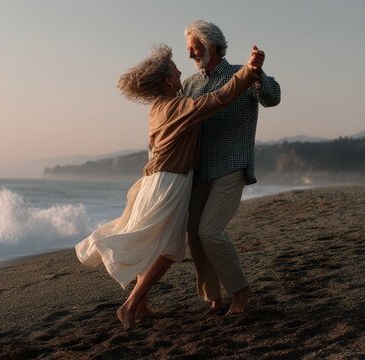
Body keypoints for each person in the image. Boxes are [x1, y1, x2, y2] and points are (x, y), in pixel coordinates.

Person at [76, 43, 264, 329]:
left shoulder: (157, 107)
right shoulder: (177, 107)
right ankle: (129, 306)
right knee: (167, 249)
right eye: (176, 71)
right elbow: (218, 99)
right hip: (170, 183)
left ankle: (141, 306)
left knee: (153, 241)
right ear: (167, 80)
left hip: (155, 179)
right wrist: (248, 73)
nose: (181, 75)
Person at [182, 20, 282, 315]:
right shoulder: (189, 85)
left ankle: (240, 290)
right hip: (199, 171)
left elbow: (273, 98)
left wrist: (258, 71)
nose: (190, 54)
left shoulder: (243, 72)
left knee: (210, 232)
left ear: (211, 45)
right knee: (194, 236)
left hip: (231, 166)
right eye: (189, 49)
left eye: (194, 47)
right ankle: (214, 298)